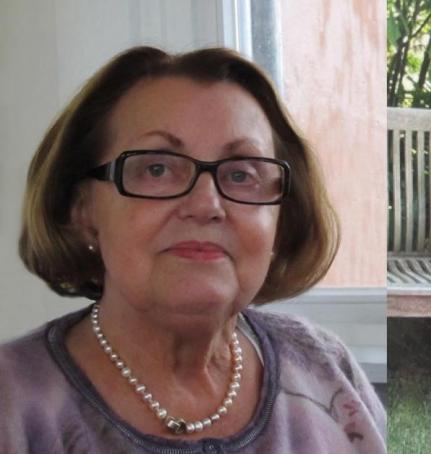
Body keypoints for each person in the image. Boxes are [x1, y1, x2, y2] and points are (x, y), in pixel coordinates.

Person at [0, 46, 386, 452]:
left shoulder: (325, 367)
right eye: (157, 169)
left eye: (241, 173)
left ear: (281, 217)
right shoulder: (12, 404)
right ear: (83, 209)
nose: (206, 205)